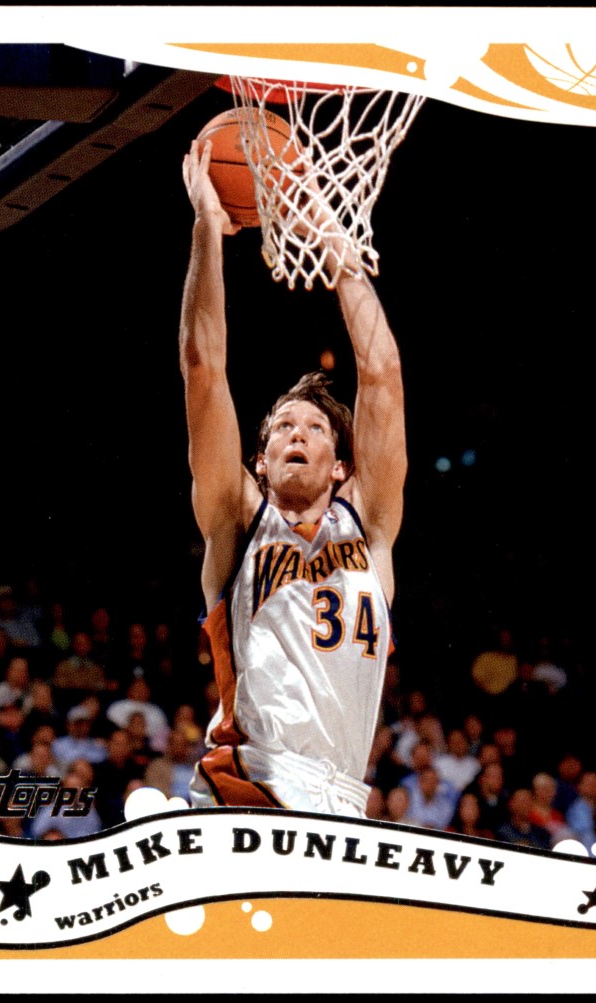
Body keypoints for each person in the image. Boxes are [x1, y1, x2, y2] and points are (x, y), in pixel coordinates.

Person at [179, 138, 406, 817]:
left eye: (314, 427)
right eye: (282, 426)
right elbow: (202, 369)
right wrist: (207, 227)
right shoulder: (239, 520)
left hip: (342, 797)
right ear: (260, 461)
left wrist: (331, 239)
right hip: (249, 783)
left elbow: (382, 374)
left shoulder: (370, 527)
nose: (297, 433)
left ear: (341, 466)